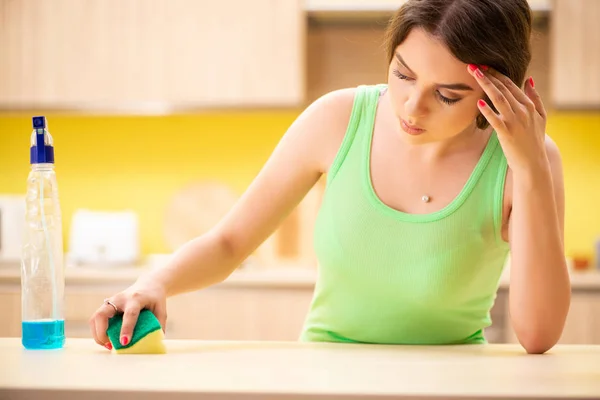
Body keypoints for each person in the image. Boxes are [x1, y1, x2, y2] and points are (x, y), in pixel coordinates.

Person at [90, 0, 570, 354]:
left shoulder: (526, 161)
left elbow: (538, 334)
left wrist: (529, 169)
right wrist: (155, 281)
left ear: (500, 91)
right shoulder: (337, 119)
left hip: (453, 381)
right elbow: (230, 243)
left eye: (447, 96)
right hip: (325, 371)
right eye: (403, 75)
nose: (412, 106)